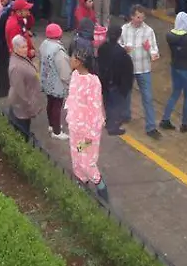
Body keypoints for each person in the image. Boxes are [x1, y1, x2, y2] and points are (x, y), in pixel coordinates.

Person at [66, 42, 108, 200]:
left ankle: (102, 191)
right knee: (77, 160)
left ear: (79, 61)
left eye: (72, 57)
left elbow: (95, 108)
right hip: (75, 129)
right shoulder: (75, 75)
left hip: (88, 133)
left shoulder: (93, 82)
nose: (69, 59)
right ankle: (81, 190)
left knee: (87, 162)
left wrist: (91, 134)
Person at [119, 5, 161, 138]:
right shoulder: (124, 29)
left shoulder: (149, 31)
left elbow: (155, 53)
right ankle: (125, 115)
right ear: (132, 16)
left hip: (143, 69)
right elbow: (117, 44)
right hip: (128, 68)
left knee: (148, 98)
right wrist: (123, 49)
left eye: (142, 17)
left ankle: (151, 127)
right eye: (138, 17)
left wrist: (150, 49)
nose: (140, 20)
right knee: (125, 93)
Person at [160, 12, 187, 132]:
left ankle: (165, 119)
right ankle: (185, 123)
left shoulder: (169, 35)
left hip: (175, 67)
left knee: (175, 93)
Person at [97, 22, 134, 136]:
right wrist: (126, 87)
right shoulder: (121, 53)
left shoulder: (102, 47)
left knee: (107, 103)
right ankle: (113, 127)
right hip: (116, 84)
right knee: (116, 105)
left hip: (105, 81)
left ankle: (109, 122)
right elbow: (127, 71)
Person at [7, 34, 46, 137]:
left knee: (24, 127)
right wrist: (29, 106)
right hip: (21, 106)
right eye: (22, 47)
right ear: (15, 48)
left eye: (26, 46)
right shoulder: (16, 67)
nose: (25, 49)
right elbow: (20, 91)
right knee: (21, 131)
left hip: (25, 103)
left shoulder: (21, 58)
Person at [39, 23, 72, 139]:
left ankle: (51, 125)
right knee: (57, 107)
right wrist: (69, 82)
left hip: (46, 80)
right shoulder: (58, 51)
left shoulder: (44, 45)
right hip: (57, 84)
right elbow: (64, 72)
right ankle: (57, 132)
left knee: (50, 103)